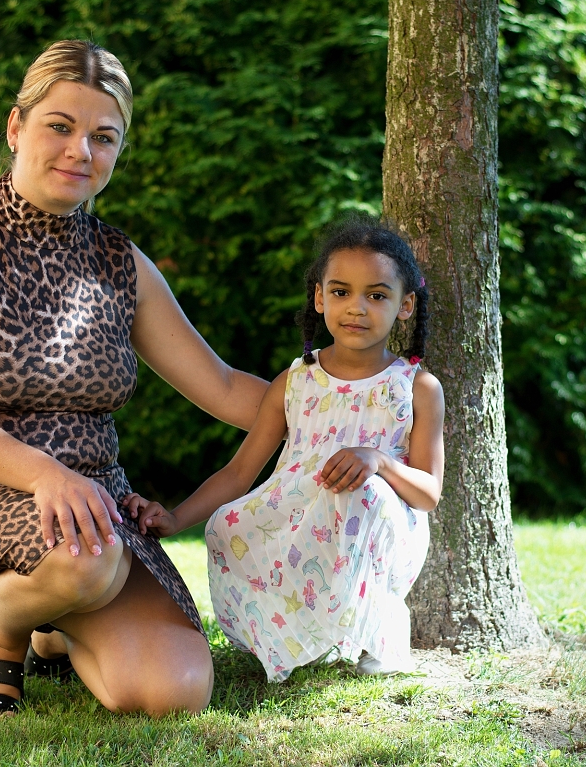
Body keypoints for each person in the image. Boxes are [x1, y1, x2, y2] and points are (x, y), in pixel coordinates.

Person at [0, 40, 268, 716]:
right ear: (17, 127)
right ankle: (0, 631)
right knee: (85, 556)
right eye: (60, 127)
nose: (80, 151)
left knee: (175, 692)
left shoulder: (120, 261)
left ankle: (53, 626)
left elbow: (224, 387)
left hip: (96, 511)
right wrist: (48, 476)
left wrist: (345, 399)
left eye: (103, 137)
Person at [124, 217, 445, 681]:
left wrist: (379, 461)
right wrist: (175, 519)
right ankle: (297, 634)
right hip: (300, 518)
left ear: (405, 304)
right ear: (319, 298)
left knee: (363, 491)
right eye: (341, 292)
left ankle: (373, 631)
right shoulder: (295, 382)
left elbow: (429, 494)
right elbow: (239, 474)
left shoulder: (416, 388)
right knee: (225, 525)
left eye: (376, 295)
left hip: (379, 527)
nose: (357, 307)